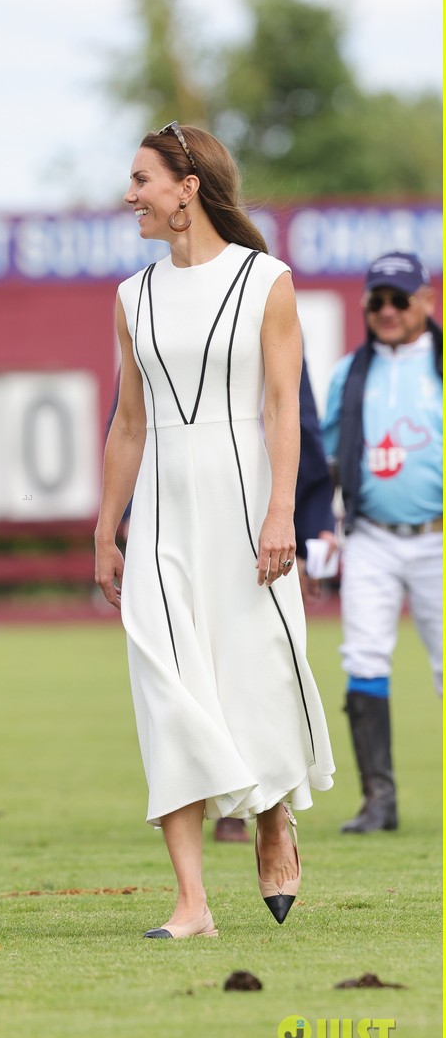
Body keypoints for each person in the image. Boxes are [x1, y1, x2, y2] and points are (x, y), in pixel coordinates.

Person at [95, 121, 334, 937]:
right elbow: (128, 424)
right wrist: (105, 529)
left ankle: (272, 814)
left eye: (141, 179)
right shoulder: (132, 296)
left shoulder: (266, 282)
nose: (129, 195)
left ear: (186, 186)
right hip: (160, 519)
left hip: (244, 512)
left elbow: (280, 407)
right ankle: (191, 904)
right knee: (165, 689)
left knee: (258, 674)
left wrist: (279, 512)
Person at [321, 251, 442, 834]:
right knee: (364, 656)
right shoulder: (350, 372)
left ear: (427, 301)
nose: (388, 311)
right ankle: (379, 800)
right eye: (378, 301)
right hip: (369, 534)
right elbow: (326, 458)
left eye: (400, 299)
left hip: (438, 537)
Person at [214, 359, 338, 843]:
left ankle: (262, 794)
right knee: (203, 662)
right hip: (183, 517)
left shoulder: (268, 306)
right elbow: (133, 420)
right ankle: (229, 789)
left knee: (255, 658)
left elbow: (298, 422)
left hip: (255, 519)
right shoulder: (153, 303)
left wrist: (305, 533)